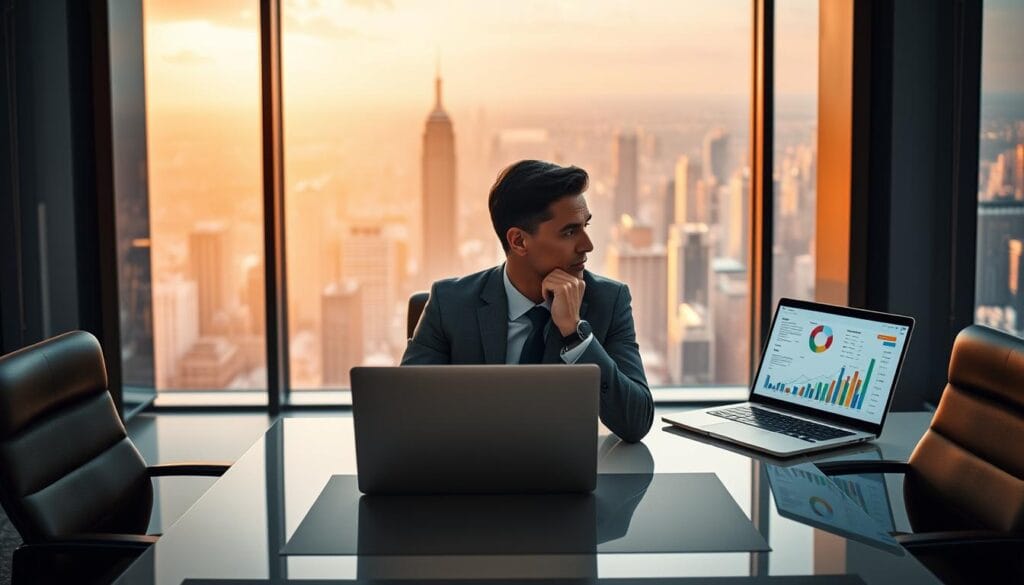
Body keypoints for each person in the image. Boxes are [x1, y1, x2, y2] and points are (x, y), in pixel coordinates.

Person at [401, 160, 654, 442]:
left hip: (564, 478)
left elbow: (636, 422)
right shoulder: (449, 304)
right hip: (468, 473)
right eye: (570, 232)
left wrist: (576, 334)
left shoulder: (608, 301)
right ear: (519, 241)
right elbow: (406, 412)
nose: (587, 245)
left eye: (586, 226)